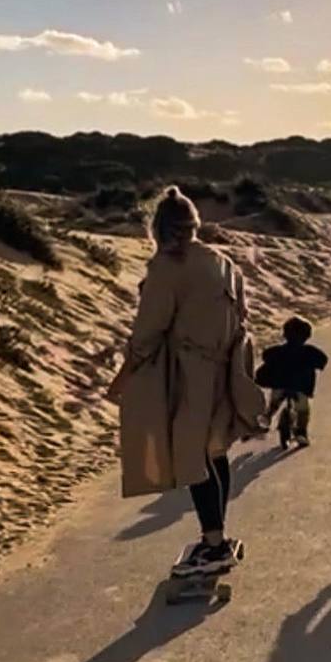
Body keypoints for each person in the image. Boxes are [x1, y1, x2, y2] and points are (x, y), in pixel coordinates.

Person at [107, 186, 265, 574]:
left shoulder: (167, 266)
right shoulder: (222, 260)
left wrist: (122, 378)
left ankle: (213, 546)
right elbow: (242, 314)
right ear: (194, 225)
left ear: (157, 229)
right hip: (224, 367)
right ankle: (217, 537)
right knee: (216, 453)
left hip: (191, 372)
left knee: (194, 457)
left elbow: (148, 332)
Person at [256, 315, 328, 447]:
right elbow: (322, 360)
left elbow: (266, 356)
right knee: (302, 409)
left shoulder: (277, 351)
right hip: (301, 387)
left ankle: (267, 416)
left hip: (280, 384)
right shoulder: (310, 352)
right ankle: (301, 432)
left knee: (275, 401)